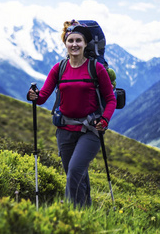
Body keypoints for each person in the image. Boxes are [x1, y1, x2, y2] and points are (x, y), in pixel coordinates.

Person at [27, 20, 116, 208]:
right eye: (71, 41)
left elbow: (110, 99)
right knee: (76, 175)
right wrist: (33, 96)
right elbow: (42, 97)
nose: (74, 44)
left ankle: (69, 214)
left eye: (78, 41)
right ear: (65, 44)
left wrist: (105, 120)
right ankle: (85, 215)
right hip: (64, 130)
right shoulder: (58, 68)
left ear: (85, 44)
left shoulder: (96, 68)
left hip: (90, 130)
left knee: (75, 171)